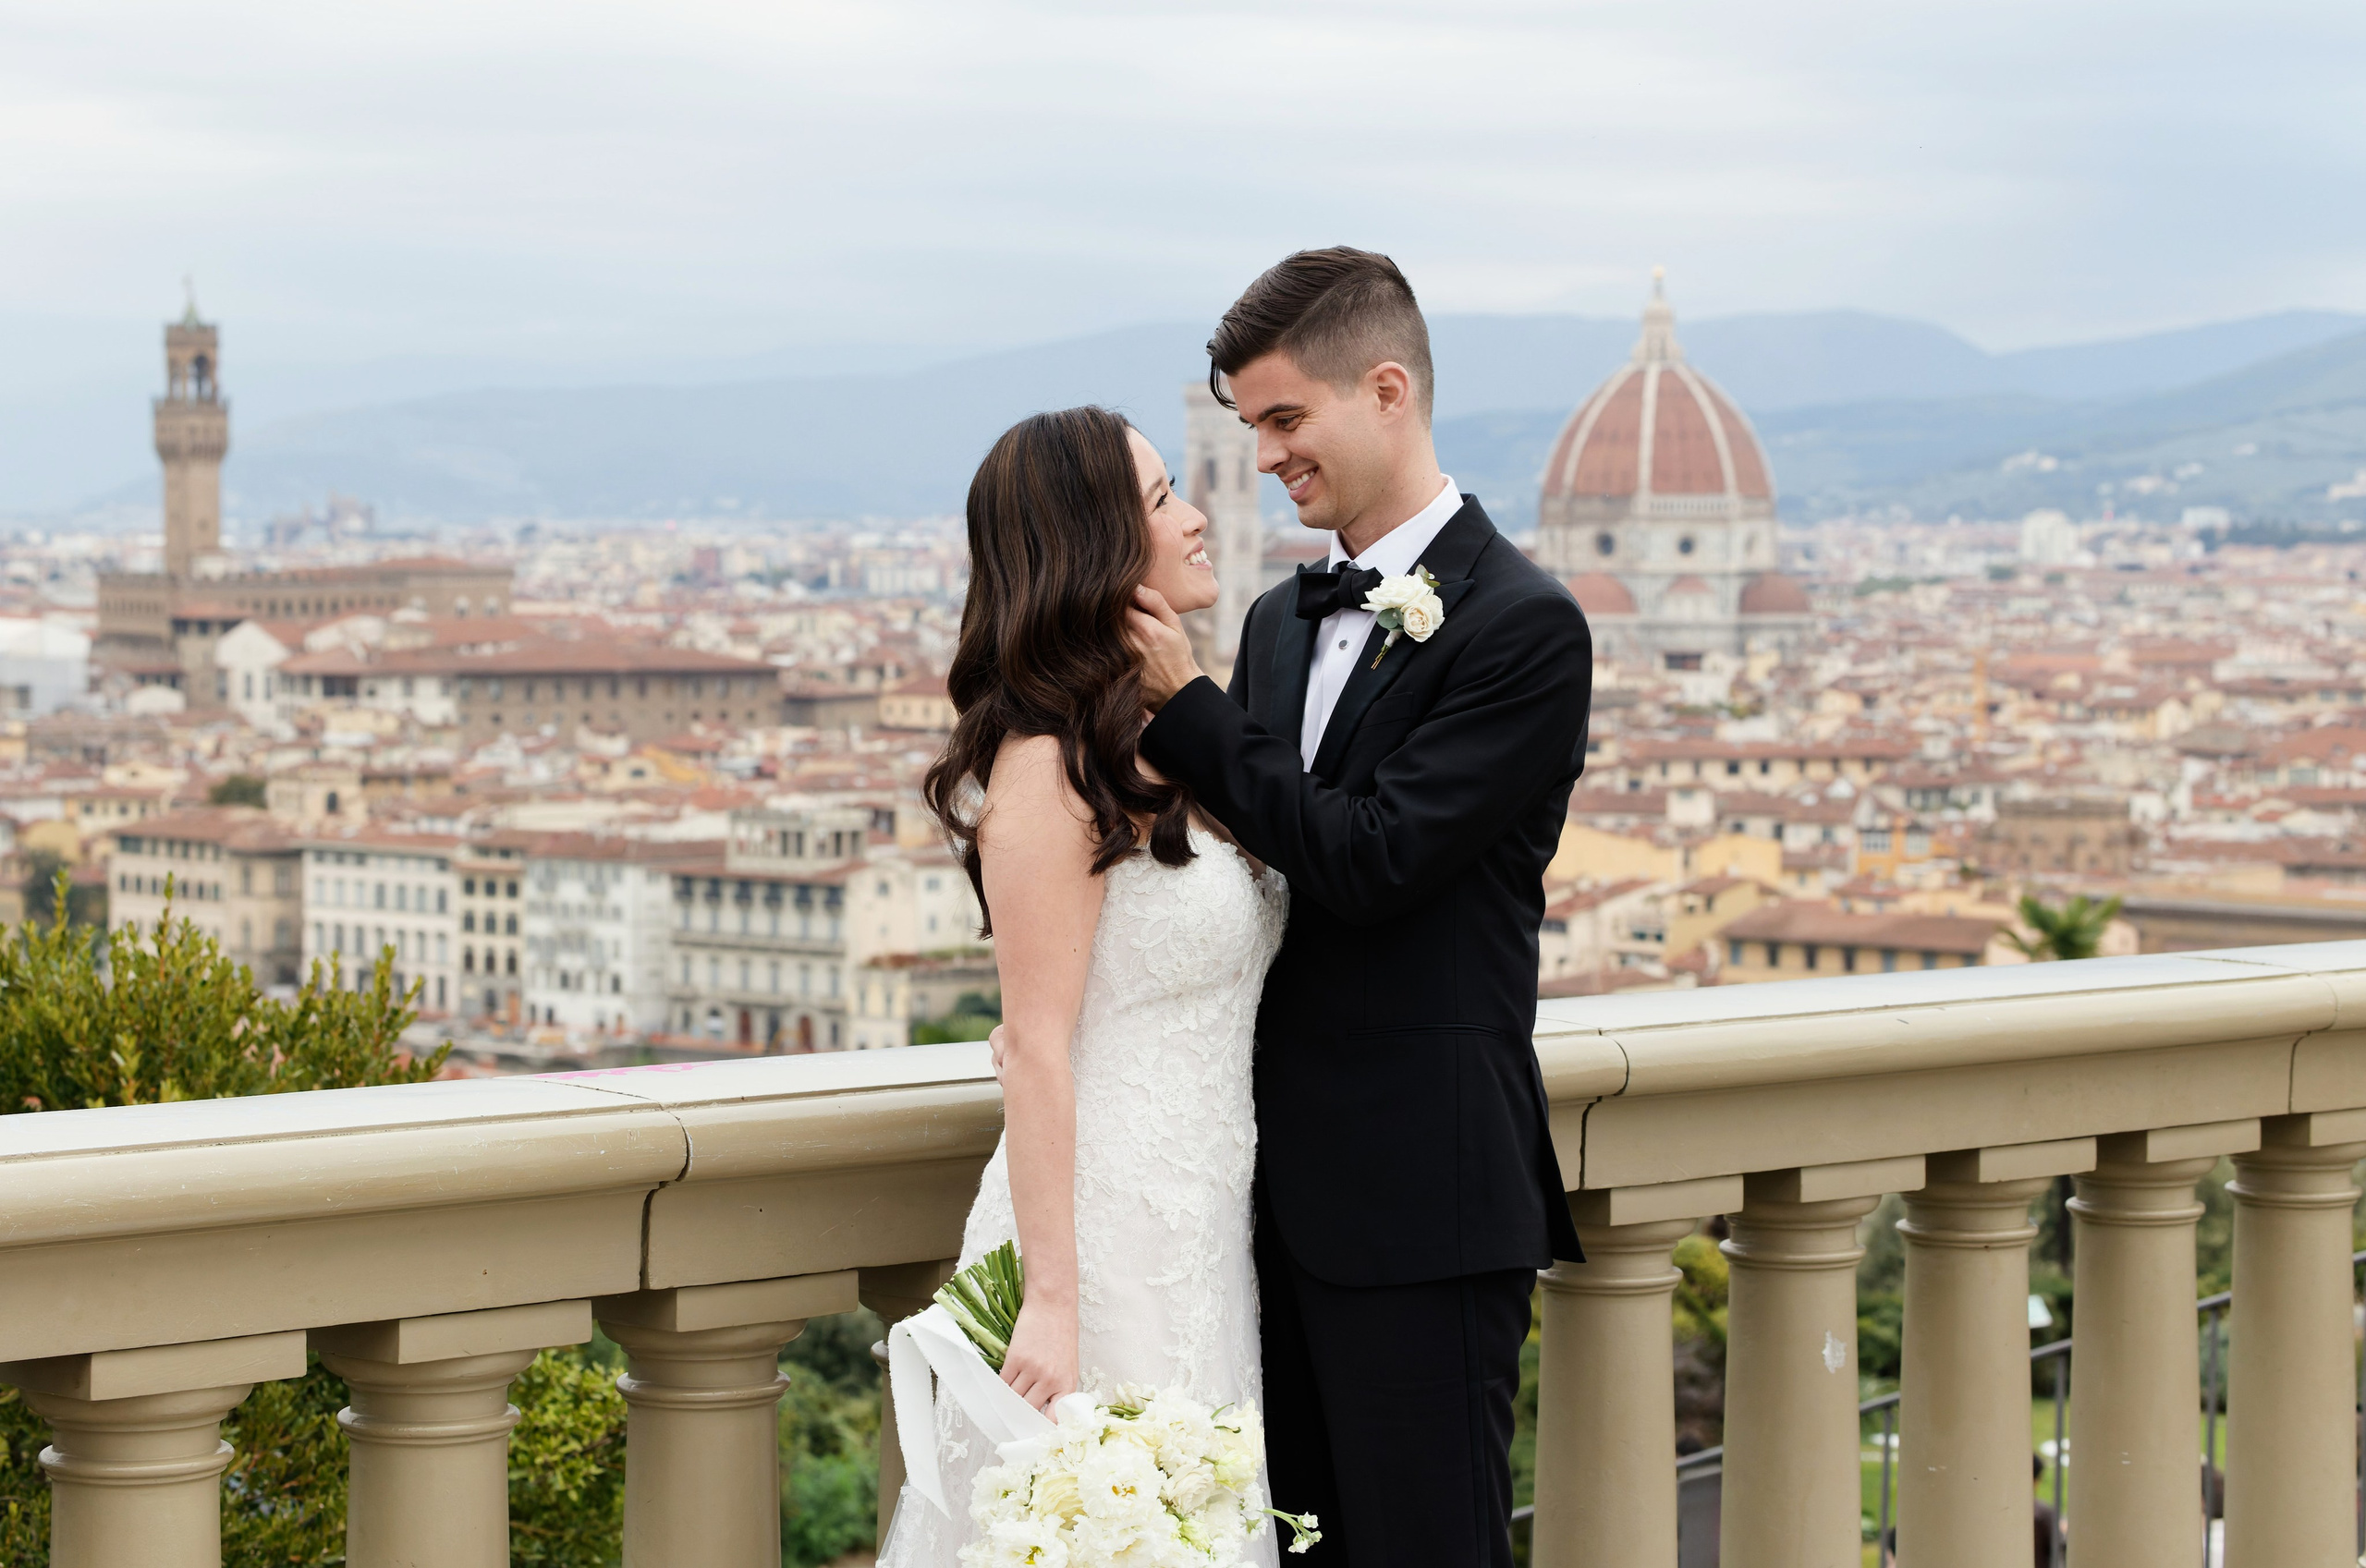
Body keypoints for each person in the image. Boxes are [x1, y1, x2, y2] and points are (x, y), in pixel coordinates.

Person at [1123, 247, 1592, 1567]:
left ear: (1386, 390)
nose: (1265, 456)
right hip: (1261, 1202)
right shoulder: (1278, 619)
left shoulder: (1527, 628)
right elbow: (1258, 855)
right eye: (1248, 427)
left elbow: (1374, 859)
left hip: (1423, 1205)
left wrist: (1191, 711)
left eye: (1284, 419)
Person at [881, 405, 1288, 1568]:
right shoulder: (1044, 762)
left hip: (1201, 1224)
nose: (1198, 512)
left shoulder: (1170, 733)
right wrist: (1051, 1302)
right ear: (1096, 547)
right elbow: (1036, 1043)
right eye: (1164, 498)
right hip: (1098, 1243)